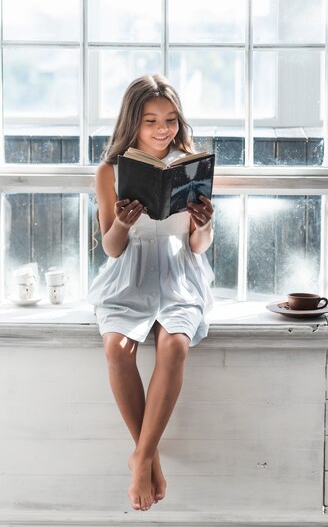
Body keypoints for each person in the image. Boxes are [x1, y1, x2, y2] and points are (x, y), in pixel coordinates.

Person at [87, 74, 214, 512]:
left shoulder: (192, 165)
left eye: (171, 120)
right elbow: (111, 247)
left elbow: (197, 247)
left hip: (180, 272)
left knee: (175, 345)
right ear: (133, 123)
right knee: (118, 349)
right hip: (130, 275)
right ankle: (150, 454)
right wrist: (122, 221)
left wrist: (205, 224)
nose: (163, 130)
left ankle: (140, 458)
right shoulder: (110, 171)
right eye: (151, 121)